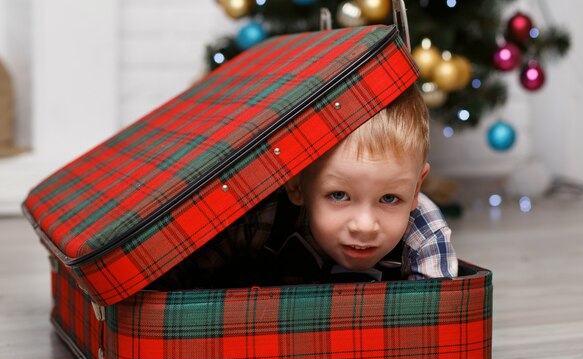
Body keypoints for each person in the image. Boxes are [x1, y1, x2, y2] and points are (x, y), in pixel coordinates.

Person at [155, 83, 457, 290]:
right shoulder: (264, 216)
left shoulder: (424, 232)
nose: (364, 226)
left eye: (390, 198)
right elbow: (175, 277)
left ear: (416, 189)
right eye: (338, 195)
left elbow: (439, 322)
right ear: (296, 185)